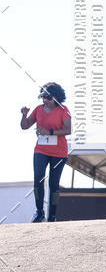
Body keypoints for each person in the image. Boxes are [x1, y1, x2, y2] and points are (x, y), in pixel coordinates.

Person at [20, 83, 72, 223]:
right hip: (41, 150)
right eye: (42, 97)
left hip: (59, 153)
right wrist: (24, 115)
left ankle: (52, 216)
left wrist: (49, 132)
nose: (44, 100)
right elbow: (25, 126)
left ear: (55, 98)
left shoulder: (63, 110)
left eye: (47, 98)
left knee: (54, 185)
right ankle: (39, 212)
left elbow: (68, 129)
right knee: (38, 180)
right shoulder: (38, 109)